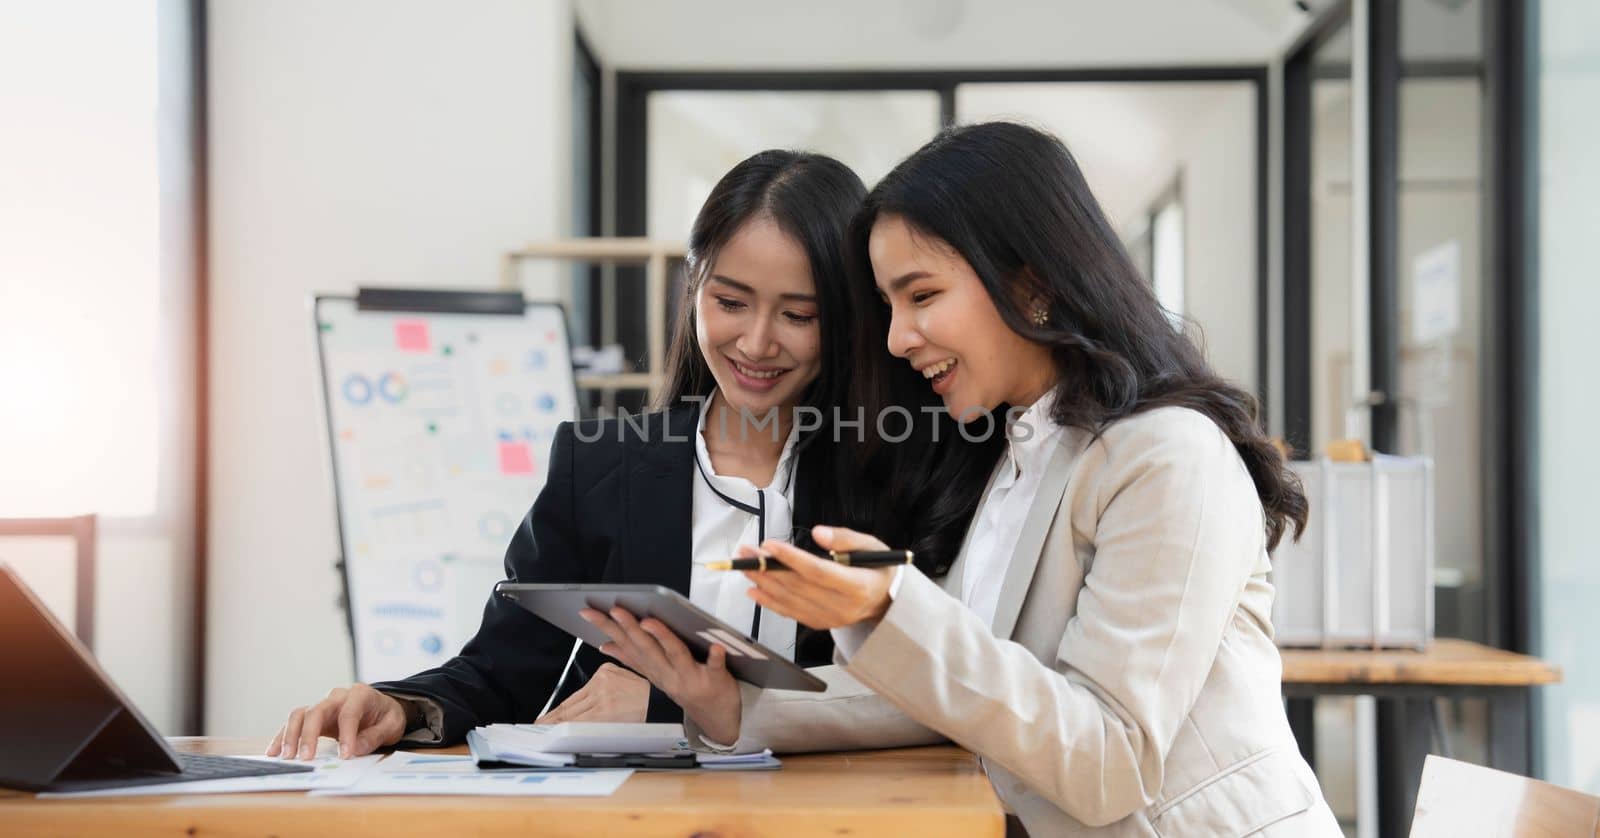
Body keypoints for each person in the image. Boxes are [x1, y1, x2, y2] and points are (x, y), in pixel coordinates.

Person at [740, 123, 1342, 835]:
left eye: (921, 295)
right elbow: (951, 690)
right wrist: (728, 706)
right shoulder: (1019, 457)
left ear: (1032, 284)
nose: (898, 338)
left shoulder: (1167, 455)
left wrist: (893, 605)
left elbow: (1108, 760)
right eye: (889, 306)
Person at [268, 149, 970, 760]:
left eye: (799, 315)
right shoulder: (601, 465)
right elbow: (501, 671)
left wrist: (667, 707)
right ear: (692, 288)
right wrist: (404, 708)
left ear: (847, 318)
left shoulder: (901, 471)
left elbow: (907, 697)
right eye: (730, 301)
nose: (757, 343)